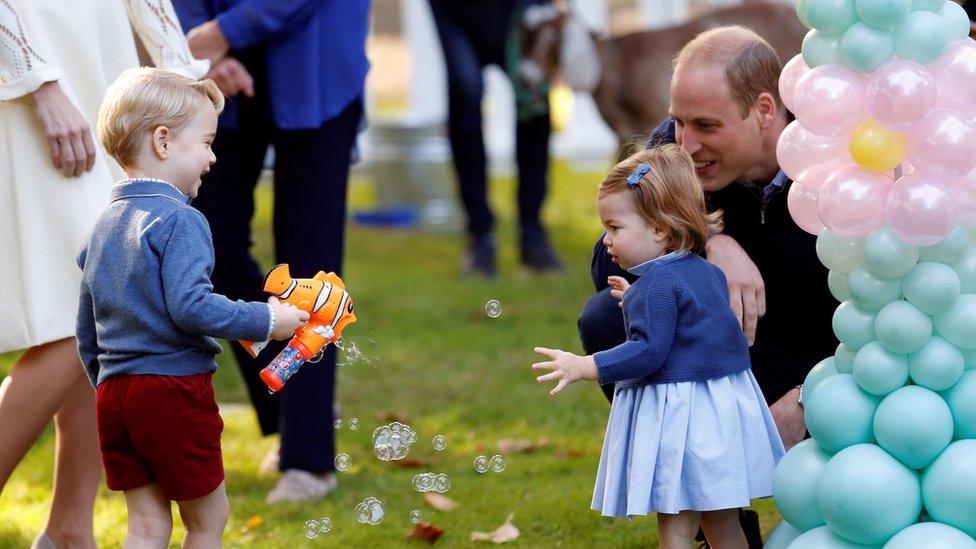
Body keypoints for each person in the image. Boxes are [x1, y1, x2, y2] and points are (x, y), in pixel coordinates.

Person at [0, 2, 206, 546]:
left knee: (103, 310)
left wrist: (182, 80)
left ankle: (69, 528)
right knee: (70, 319)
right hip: (32, 78)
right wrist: (37, 85)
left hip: (106, 73)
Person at [77, 68, 308, 547]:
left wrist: (111, 383)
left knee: (145, 525)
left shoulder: (103, 226)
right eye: (205, 143)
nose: (212, 156)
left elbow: (86, 330)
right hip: (172, 392)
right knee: (206, 520)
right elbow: (192, 307)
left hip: (114, 398)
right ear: (163, 141)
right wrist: (270, 320)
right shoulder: (182, 220)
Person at [578, 27, 836, 452]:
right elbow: (606, 264)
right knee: (607, 317)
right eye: (679, 121)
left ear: (765, 110)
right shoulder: (673, 154)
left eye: (706, 126)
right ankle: (707, 508)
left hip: (825, 367)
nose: (688, 144)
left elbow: (885, 318)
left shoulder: (834, 160)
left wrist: (810, 398)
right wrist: (707, 240)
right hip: (732, 353)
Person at [533, 145, 784, 549]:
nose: (606, 240)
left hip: (680, 421)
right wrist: (636, 296)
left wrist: (586, 365)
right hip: (716, 415)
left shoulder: (658, 287)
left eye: (614, 228)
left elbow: (649, 352)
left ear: (659, 230)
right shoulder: (704, 271)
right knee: (721, 522)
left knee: (677, 524)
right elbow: (694, 324)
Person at [170, 0, 370, 502]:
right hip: (212, 64)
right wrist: (200, 47)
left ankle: (308, 457)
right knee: (206, 249)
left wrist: (224, 31)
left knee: (311, 265)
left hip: (314, 52)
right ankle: (297, 406)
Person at [429, 0, 563, 277]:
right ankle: (480, 234)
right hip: (456, 10)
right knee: (465, 98)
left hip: (520, 6)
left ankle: (532, 230)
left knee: (533, 101)